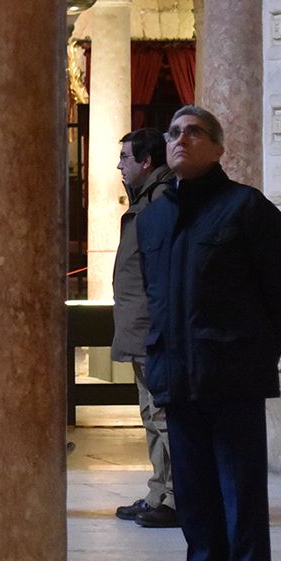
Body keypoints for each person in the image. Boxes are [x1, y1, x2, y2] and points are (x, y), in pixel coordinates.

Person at [139, 105, 281, 561]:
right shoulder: (155, 217)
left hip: (230, 378)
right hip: (178, 378)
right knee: (196, 496)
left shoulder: (246, 209)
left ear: (217, 148)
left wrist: (253, 358)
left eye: (195, 132)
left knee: (240, 497)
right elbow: (157, 299)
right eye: (174, 132)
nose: (182, 139)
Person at [111, 127, 177, 529]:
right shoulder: (148, 201)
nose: (119, 165)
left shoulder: (161, 203)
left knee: (163, 416)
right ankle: (159, 491)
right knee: (151, 415)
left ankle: (174, 498)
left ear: (146, 162)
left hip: (152, 329)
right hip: (139, 327)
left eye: (125, 158)